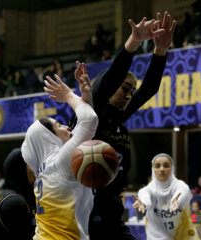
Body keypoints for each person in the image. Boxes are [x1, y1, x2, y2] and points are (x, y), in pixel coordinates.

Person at [72, 12, 176, 240]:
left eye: (131, 90)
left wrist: (160, 52)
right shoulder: (92, 111)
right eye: (125, 88)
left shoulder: (118, 118)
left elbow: (148, 89)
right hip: (84, 208)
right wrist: (134, 42)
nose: (130, 95)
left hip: (111, 208)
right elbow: (112, 77)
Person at [21, 70, 98, 239]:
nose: (67, 127)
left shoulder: (47, 168)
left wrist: (86, 97)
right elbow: (89, 121)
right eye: (59, 126)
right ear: (49, 138)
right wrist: (69, 95)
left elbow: (84, 129)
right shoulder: (60, 163)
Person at [132, 153, 197, 240]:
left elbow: (183, 191)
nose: (162, 169)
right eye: (157, 166)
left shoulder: (180, 185)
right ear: (153, 169)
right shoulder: (149, 189)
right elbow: (144, 194)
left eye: (166, 166)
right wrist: (144, 203)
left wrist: (176, 201)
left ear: (172, 168)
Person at [0, 148, 36, 240]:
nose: (36, 168)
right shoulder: (14, 202)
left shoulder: (29, 197)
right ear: (20, 169)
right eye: (31, 163)